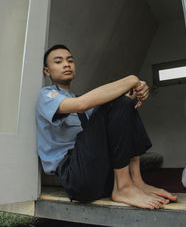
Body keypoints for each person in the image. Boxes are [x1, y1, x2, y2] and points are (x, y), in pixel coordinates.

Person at [36, 44, 177, 210]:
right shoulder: (47, 95)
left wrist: (136, 90)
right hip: (77, 177)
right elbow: (82, 104)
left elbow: (114, 121)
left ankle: (136, 181)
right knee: (116, 102)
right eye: (58, 62)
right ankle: (123, 188)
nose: (66, 64)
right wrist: (131, 79)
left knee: (125, 103)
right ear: (47, 71)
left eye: (70, 60)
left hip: (96, 173)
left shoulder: (78, 99)